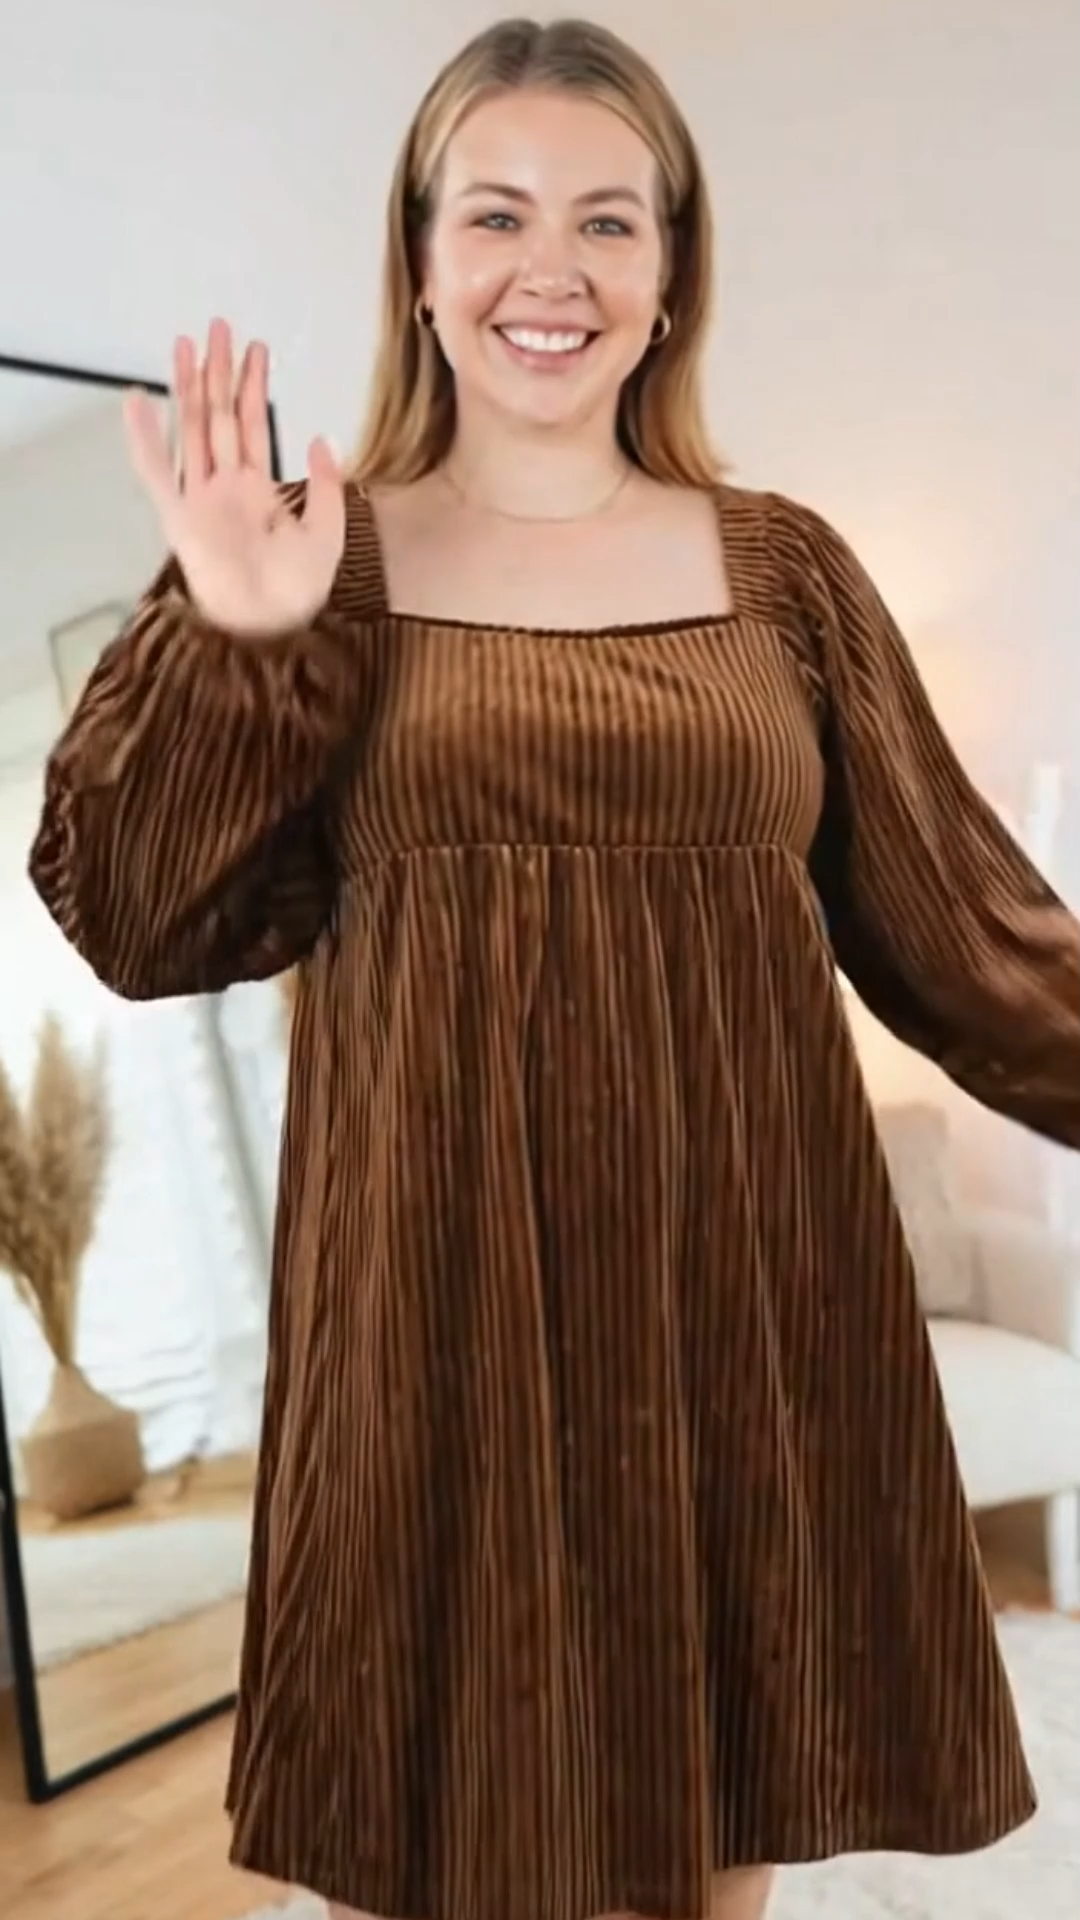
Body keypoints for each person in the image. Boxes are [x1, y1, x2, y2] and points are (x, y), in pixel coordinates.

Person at [27, 16, 1079, 1920]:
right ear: (421, 261)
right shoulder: (308, 560)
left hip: (740, 1290)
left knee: (722, 1816)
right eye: (497, 214)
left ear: (672, 269)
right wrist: (242, 643)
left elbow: (975, 938)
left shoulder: (786, 576)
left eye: (610, 220)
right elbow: (138, 917)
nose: (554, 269)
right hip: (433, 1308)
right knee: (440, 1832)